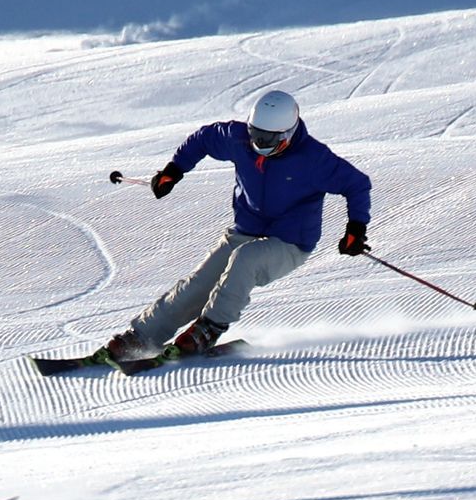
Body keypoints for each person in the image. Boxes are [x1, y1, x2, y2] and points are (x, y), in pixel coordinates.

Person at [103, 90, 372, 360]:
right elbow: (204, 139)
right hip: (245, 230)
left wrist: (355, 229)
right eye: (256, 134)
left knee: (246, 259)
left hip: (290, 243)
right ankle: (142, 337)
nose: (259, 143)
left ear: (288, 134)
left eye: (269, 139)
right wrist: (174, 170)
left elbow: (356, 184)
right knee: (199, 284)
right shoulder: (239, 138)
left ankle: (209, 328)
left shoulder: (313, 159)